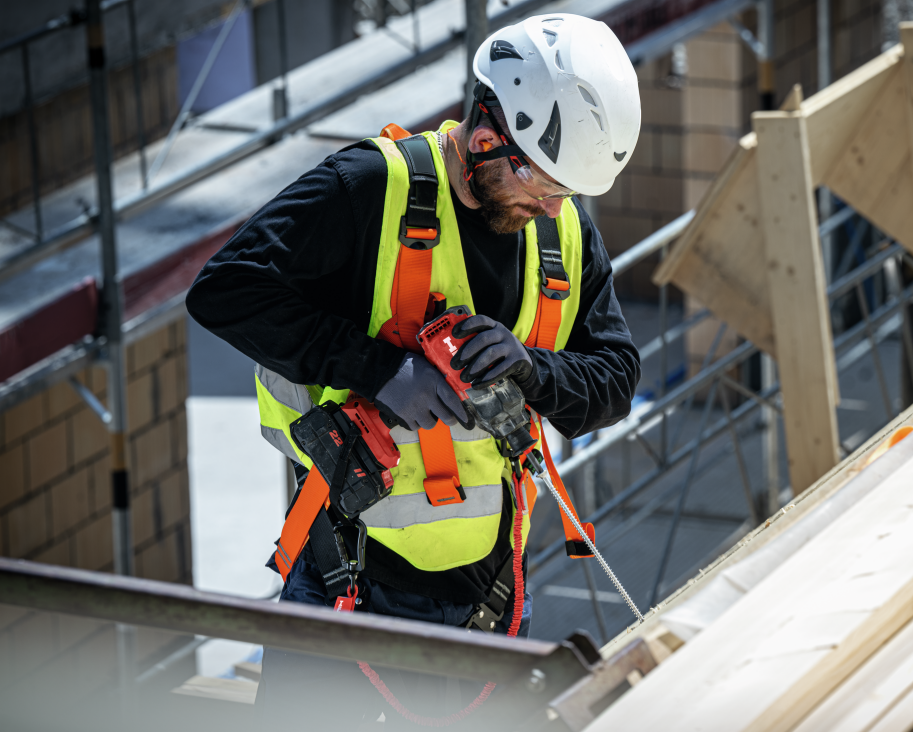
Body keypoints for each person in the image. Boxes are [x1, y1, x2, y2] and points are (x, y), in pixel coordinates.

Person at [186, 14, 641, 726]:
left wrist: (534, 369)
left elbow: (615, 378)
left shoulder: (562, 229)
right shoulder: (371, 189)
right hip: (347, 581)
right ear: (488, 137)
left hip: (488, 596)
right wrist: (378, 369)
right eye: (542, 186)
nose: (553, 208)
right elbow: (226, 289)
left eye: (565, 193)